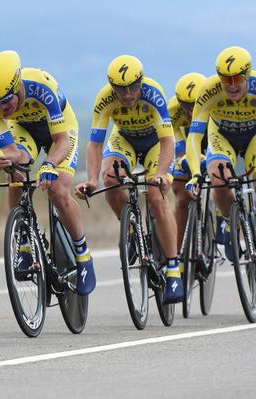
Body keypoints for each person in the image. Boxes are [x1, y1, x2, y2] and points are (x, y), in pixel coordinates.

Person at [0, 50, 95, 295]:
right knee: (15, 174)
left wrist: (50, 164)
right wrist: (3, 159)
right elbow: (14, 151)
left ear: (17, 86)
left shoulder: (42, 86)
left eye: (7, 101)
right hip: (24, 130)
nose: (3, 108)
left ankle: (83, 254)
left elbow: (61, 141)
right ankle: (23, 243)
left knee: (59, 190)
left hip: (59, 131)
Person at [74, 55, 182, 304]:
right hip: (125, 141)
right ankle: (132, 229)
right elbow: (95, 144)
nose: (128, 95)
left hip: (155, 144)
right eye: (121, 90)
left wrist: (162, 174)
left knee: (156, 196)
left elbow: (168, 142)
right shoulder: (105, 99)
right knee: (110, 178)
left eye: (133, 88)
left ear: (141, 83)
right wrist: (92, 180)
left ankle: (174, 268)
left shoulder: (153, 94)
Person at [185, 46, 256, 296]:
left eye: (237, 79)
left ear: (247, 75)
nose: (231, 85)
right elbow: (194, 137)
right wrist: (193, 173)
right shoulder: (208, 90)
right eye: (225, 80)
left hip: (255, 135)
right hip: (222, 136)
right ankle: (231, 223)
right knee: (218, 178)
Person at [168, 72, 209, 261]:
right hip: (184, 142)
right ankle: (176, 258)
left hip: (209, 142)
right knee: (181, 192)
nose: (191, 112)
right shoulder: (172, 111)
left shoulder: (213, 103)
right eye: (186, 106)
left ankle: (221, 217)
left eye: (195, 105)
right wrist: (184, 160)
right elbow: (175, 144)